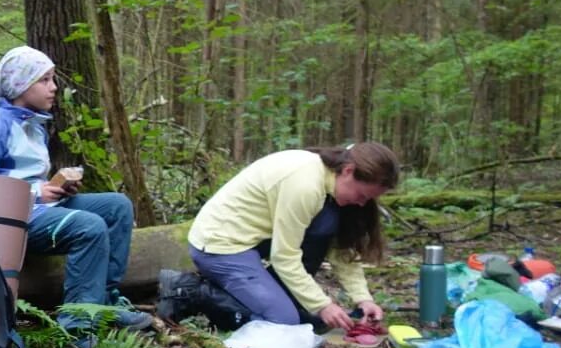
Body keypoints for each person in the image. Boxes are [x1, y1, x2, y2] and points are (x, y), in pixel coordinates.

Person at [0, 45, 153, 342]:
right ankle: (77, 324)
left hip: (35, 210)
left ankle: (104, 303)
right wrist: (37, 194)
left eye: (52, 79)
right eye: (44, 80)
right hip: (7, 223)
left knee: (117, 207)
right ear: (22, 85)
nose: (54, 88)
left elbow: (25, 177)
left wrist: (58, 188)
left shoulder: (33, 124)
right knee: (89, 226)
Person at [158, 142, 399, 332]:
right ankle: (190, 291)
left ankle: (280, 297)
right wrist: (322, 305)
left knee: (324, 227)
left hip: (256, 239)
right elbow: (285, 257)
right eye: (362, 194)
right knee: (282, 322)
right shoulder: (306, 185)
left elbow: (341, 250)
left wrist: (362, 299)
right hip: (220, 246)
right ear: (348, 171)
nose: (362, 203)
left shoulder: (330, 184)